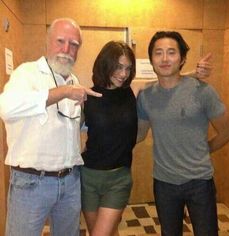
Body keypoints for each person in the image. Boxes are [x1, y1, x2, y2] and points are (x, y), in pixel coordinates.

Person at [80, 40, 213, 236]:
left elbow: (167, 80)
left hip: (119, 178)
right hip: (87, 176)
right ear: (105, 64)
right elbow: (74, 133)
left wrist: (196, 73)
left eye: (127, 68)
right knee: (102, 232)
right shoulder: (86, 96)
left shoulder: (132, 91)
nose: (123, 73)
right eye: (118, 67)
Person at [0, 18, 102, 236]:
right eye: (60, 41)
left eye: (74, 44)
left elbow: (68, 124)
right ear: (47, 43)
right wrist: (62, 93)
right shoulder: (26, 73)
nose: (66, 49)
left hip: (70, 181)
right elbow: (6, 108)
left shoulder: (72, 79)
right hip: (31, 183)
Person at [137, 31, 229, 236]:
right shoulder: (146, 96)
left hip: (199, 182)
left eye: (171, 52)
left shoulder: (202, 91)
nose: (164, 59)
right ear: (151, 59)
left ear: (181, 59)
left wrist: (203, 150)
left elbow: (227, 132)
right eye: (158, 53)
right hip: (164, 183)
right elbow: (139, 135)